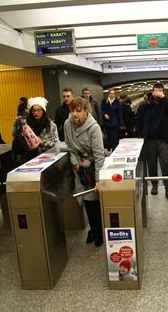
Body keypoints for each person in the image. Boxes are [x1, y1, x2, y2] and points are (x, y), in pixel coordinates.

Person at [64, 97, 105, 246]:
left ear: (86, 111)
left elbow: (99, 155)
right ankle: (93, 230)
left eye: (78, 111)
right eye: (72, 110)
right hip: (79, 168)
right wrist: (75, 162)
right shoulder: (67, 124)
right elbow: (68, 145)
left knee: (93, 200)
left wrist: (98, 180)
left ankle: (98, 230)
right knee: (86, 200)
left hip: (92, 167)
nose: (74, 114)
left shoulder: (94, 127)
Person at [136, 83, 168, 200]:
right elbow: (138, 119)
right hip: (150, 139)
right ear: (152, 91)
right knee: (152, 163)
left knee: (166, 163)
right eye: (156, 91)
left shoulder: (166, 103)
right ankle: (154, 185)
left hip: (163, 139)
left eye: (161, 91)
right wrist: (141, 136)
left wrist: (164, 98)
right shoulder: (146, 104)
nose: (158, 94)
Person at [12, 97, 59, 165]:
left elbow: (56, 142)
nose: (36, 113)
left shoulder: (51, 125)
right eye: (34, 110)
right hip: (27, 158)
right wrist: (16, 125)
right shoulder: (25, 123)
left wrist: (42, 143)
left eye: (39, 110)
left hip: (45, 158)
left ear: (43, 111)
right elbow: (14, 134)